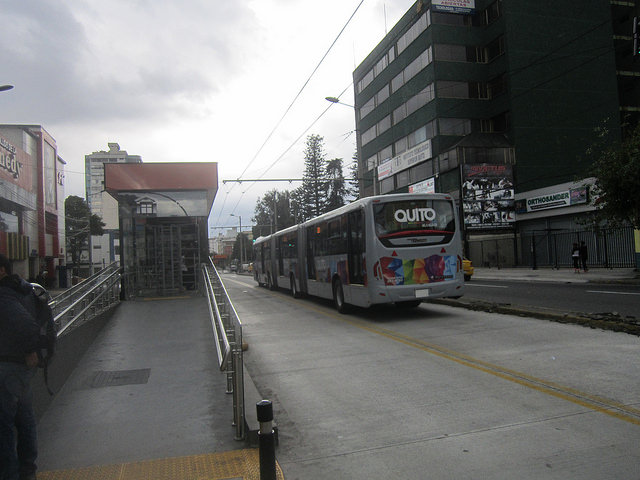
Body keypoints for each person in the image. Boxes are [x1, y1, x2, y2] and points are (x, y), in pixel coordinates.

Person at [0, 254, 41, 480]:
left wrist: (29, 349)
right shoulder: (22, 290)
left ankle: (9, 473)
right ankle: (28, 469)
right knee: (25, 418)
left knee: (4, 424)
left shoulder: (4, 296)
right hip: (21, 368)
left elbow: (25, 326)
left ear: (2, 271)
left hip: (8, 366)